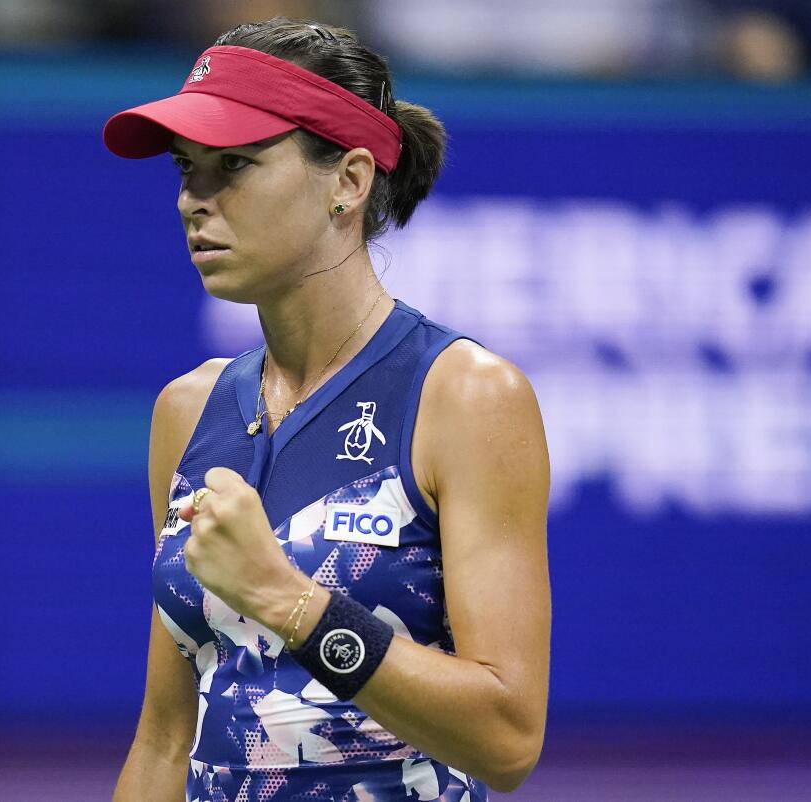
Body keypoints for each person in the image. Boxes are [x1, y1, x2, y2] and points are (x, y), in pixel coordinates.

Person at [103, 17, 550, 801]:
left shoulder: (466, 396)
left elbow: (508, 740)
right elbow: (165, 741)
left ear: (346, 180)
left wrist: (286, 599)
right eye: (186, 169)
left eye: (234, 165)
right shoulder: (188, 409)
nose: (192, 202)